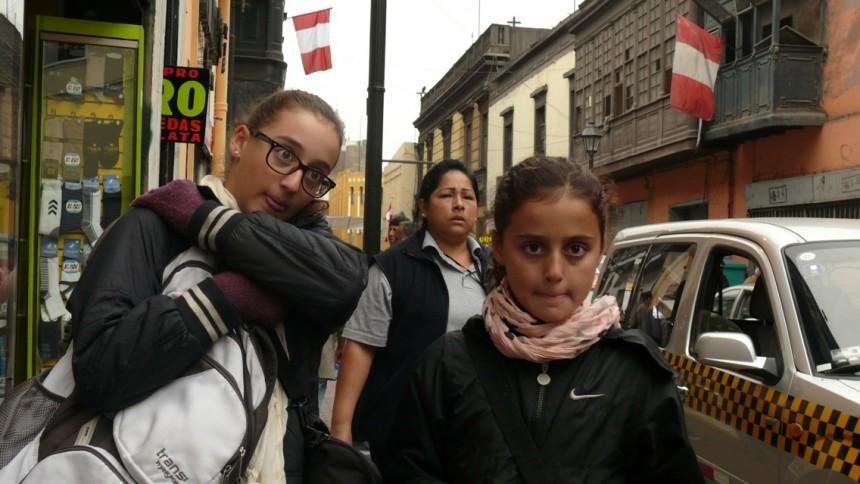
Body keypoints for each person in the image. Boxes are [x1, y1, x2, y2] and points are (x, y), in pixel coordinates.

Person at [69, 89, 367, 482]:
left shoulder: (309, 260)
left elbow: (348, 281)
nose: (294, 183)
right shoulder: (153, 228)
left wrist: (207, 220)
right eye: (284, 154)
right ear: (240, 141)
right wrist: (224, 298)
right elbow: (100, 371)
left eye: (314, 175)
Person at [383, 156, 703, 483]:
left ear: (600, 250)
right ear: (500, 247)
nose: (554, 272)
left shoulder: (636, 374)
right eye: (534, 248)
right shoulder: (447, 366)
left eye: (576, 249)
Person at [331, 159, 489, 462]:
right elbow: (361, 347)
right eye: (447, 195)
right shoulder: (392, 268)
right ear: (424, 206)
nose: (459, 204)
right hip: (404, 431)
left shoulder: (494, 268)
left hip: (476, 428)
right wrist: (341, 429)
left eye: (467, 197)